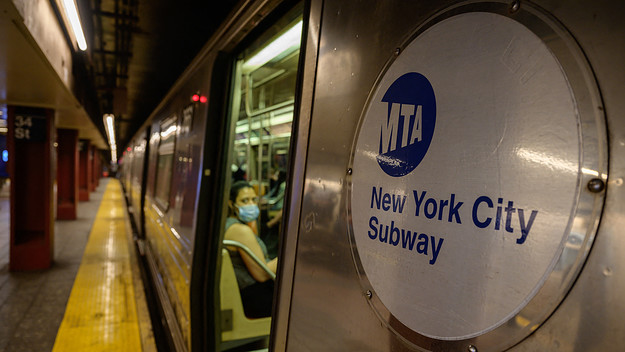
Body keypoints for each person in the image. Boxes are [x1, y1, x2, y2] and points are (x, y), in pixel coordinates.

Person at [224, 180, 277, 318]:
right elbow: (262, 274)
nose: (251, 205)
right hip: (255, 297)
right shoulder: (240, 231)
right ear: (231, 204)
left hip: (246, 292)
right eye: (244, 200)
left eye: (254, 199)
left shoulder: (230, 224)